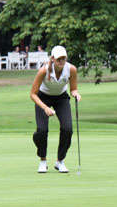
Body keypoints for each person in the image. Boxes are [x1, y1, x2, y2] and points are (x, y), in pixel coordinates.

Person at [29, 45, 81, 173]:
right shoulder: (43, 71)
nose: (61, 62)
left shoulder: (71, 69)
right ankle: (43, 160)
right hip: (43, 98)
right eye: (59, 59)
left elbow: (73, 88)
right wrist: (45, 108)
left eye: (63, 58)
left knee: (67, 129)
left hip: (61, 98)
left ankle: (60, 161)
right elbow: (33, 94)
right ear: (52, 58)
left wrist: (75, 93)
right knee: (42, 130)